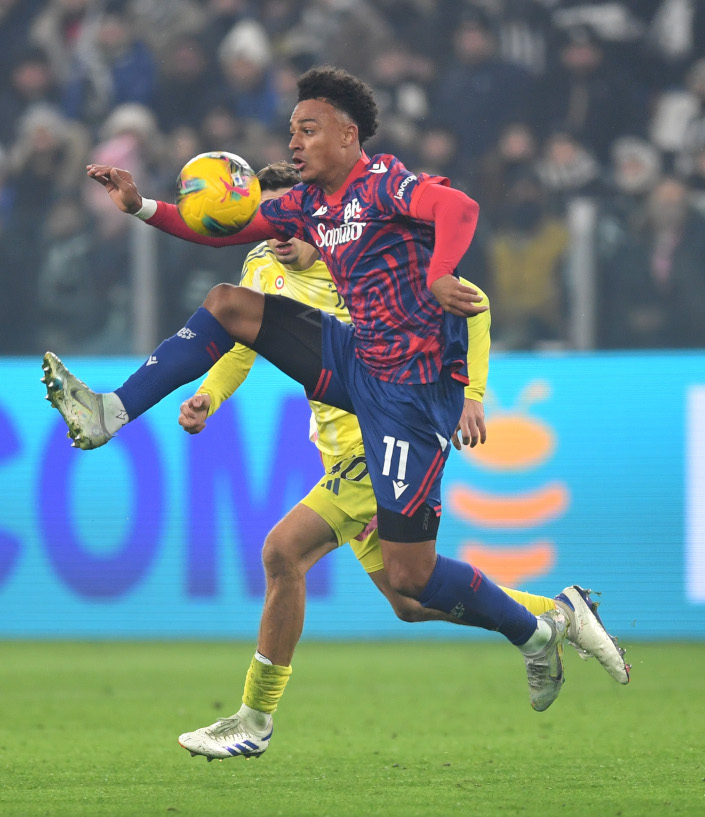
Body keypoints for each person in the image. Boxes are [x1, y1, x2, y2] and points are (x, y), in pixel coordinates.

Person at [42, 66, 629, 753]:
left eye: (308, 129)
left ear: (349, 136)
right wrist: (142, 207)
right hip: (356, 359)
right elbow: (225, 229)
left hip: (409, 398)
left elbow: (460, 209)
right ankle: (111, 411)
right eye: (291, 129)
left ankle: (539, 627)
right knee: (231, 303)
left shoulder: (385, 184)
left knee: (410, 585)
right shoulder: (308, 208)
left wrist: (442, 276)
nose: (294, 140)